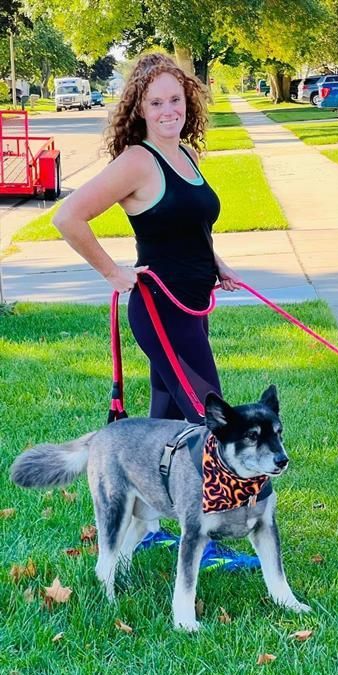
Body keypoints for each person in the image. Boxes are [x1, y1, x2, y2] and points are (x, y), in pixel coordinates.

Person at [54, 53, 241, 423]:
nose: (167, 110)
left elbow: (190, 226)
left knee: (168, 426)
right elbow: (67, 217)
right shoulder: (137, 162)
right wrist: (112, 273)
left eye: (175, 99)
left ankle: (149, 481)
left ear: (188, 100)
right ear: (140, 109)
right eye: (156, 103)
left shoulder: (187, 155)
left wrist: (218, 265)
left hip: (193, 304)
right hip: (162, 308)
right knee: (212, 421)